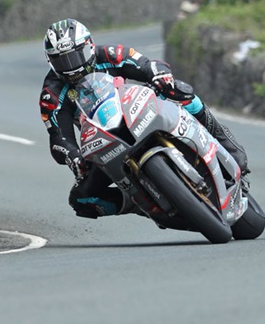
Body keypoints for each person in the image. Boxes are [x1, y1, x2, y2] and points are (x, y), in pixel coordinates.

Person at [39, 18, 250, 219]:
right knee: (81, 200)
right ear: (50, 61)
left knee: (184, 94)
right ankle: (136, 203)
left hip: (138, 109)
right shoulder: (52, 93)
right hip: (105, 140)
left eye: (76, 56)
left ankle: (229, 147)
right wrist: (73, 156)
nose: (71, 66)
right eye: (61, 60)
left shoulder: (111, 54)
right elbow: (59, 138)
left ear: (90, 46)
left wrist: (161, 76)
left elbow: (148, 65)